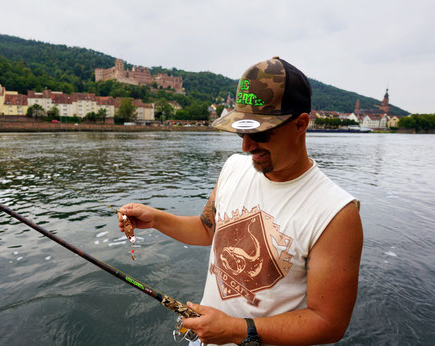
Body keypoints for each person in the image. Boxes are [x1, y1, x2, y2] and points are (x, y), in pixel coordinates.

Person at [119, 57, 363, 345]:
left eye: (260, 133)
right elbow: (207, 229)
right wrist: (157, 219)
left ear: (301, 125)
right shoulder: (234, 167)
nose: (246, 146)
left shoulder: (336, 214)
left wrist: (236, 329)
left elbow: (328, 323)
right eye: (242, 132)